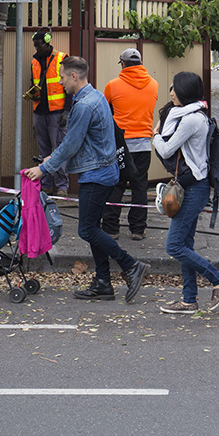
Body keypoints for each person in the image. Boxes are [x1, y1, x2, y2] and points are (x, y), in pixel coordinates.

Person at [23, 56, 149, 303]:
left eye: (61, 77)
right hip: (103, 169)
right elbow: (84, 141)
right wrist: (52, 157)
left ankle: (131, 265)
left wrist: (45, 168)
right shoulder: (97, 97)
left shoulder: (82, 106)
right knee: (94, 228)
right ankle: (103, 282)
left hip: (97, 174)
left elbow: (71, 144)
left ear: (73, 76)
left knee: (87, 229)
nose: (59, 82)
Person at [152, 71, 219, 314]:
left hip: (194, 188)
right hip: (191, 186)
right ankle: (189, 300)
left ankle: (218, 279)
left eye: (174, 89)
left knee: (174, 246)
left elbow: (166, 150)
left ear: (185, 91)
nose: (171, 93)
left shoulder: (190, 120)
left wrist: (154, 135)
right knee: (185, 244)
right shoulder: (193, 114)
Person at [101, 47, 159, 241]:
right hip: (143, 145)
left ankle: (110, 229)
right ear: (141, 63)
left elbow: (105, 111)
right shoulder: (154, 85)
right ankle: (138, 229)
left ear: (123, 64)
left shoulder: (112, 85)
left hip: (120, 145)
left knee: (115, 185)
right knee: (140, 186)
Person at [30, 30, 71, 195]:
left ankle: (62, 187)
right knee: (43, 150)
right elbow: (33, 82)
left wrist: (67, 111)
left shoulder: (62, 59)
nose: (37, 49)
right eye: (35, 46)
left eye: (39, 45)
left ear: (47, 42)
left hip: (57, 113)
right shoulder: (34, 61)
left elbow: (70, 88)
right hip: (39, 111)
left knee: (59, 149)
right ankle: (46, 184)